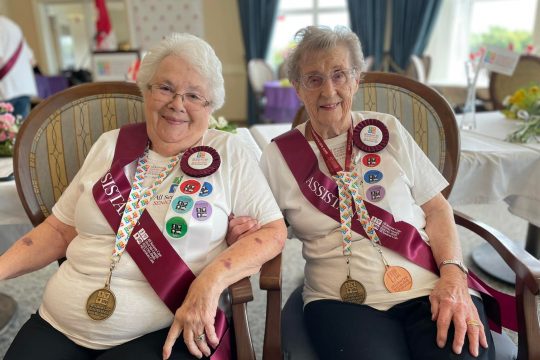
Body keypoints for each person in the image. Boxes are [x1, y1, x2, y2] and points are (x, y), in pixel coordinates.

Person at [0, 32, 286, 360]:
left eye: (194, 95)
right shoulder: (110, 145)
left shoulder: (228, 152)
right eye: (165, 88)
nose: (178, 104)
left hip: (165, 330)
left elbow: (273, 232)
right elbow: (58, 230)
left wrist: (211, 281)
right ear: (146, 91)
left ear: (211, 106)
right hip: (58, 323)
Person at [255, 26, 501, 359]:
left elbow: (438, 209)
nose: (329, 90)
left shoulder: (389, 131)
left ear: (356, 79)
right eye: (313, 79)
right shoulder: (279, 156)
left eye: (339, 75)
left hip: (429, 283)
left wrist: (454, 275)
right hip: (340, 300)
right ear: (297, 88)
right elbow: (263, 228)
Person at [0, 15, 37, 120]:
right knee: (20, 132)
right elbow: (32, 60)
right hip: (23, 87)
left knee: (5, 133)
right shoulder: (12, 25)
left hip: (5, 90)